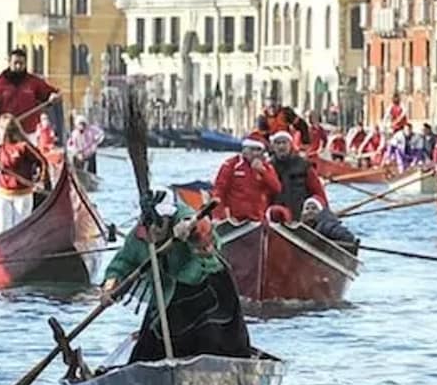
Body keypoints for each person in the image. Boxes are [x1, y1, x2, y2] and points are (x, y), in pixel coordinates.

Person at [100, 194, 250, 363]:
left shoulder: (186, 221)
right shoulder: (137, 238)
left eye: (161, 223)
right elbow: (121, 265)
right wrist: (109, 289)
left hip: (204, 296)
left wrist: (193, 234)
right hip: (165, 301)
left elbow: (209, 238)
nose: (155, 229)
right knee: (145, 354)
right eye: (151, 223)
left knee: (216, 345)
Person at [0, 49, 59, 136]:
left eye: (21, 63)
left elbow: (51, 93)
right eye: (15, 63)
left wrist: (53, 96)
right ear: (9, 63)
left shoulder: (33, 82)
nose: (18, 66)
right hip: (5, 133)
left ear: (25, 64)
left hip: (28, 134)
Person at [0, 115, 48, 233]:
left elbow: (42, 162)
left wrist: (40, 181)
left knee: (20, 230)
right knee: (1, 231)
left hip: (22, 195)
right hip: (3, 194)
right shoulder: (0, 146)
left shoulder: (24, 146)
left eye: (0, 130)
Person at [211, 138, 282, 222]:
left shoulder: (266, 167)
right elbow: (219, 190)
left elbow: (276, 188)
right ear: (244, 150)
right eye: (252, 149)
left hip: (257, 218)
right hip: (235, 219)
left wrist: (263, 172)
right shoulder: (231, 164)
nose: (255, 153)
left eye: (258, 150)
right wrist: (219, 215)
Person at [268, 131, 327, 221]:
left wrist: (324, 212)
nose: (281, 146)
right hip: (277, 218)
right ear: (273, 147)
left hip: (301, 218)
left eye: (284, 142)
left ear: (290, 145)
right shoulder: (268, 167)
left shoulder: (304, 166)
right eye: (277, 143)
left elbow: (318, 191)